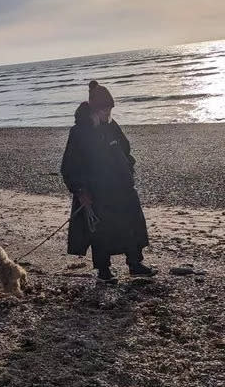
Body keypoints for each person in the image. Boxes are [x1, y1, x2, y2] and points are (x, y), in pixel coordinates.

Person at [60, 82, 156, 284]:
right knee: (101, 233)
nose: (108, 113)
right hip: (97, 193)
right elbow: (69, 166)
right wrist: (80, 191)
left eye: (110, 109)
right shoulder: (79, 132)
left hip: (122, 188)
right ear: (94, 109)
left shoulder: (111, 125)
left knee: (132, 225)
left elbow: (126, 149)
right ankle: (104, 271)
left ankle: (135, 264)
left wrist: (128, 167)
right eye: (104, 110)